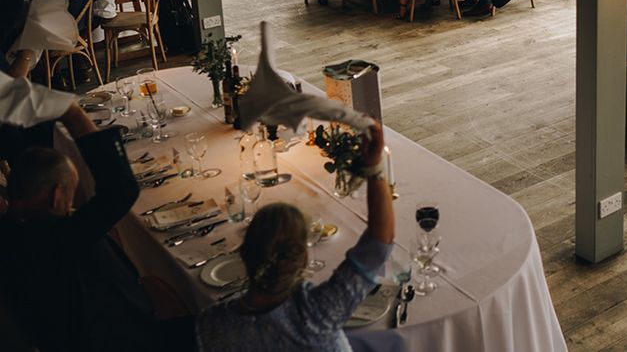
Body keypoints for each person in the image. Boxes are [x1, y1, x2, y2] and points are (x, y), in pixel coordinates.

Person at [0, 100, 192, 351]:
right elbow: (120, 189)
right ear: (58, 196)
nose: (72, 205)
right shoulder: (56, 238)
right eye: (71, 193)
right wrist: (72, 112)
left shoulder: (10, 231)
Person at [195, 120, 394, 352]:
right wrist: (374, 166)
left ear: (244, 254)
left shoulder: (211, 325)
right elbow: (378, 244)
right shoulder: (317, 313)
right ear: (303, 260)